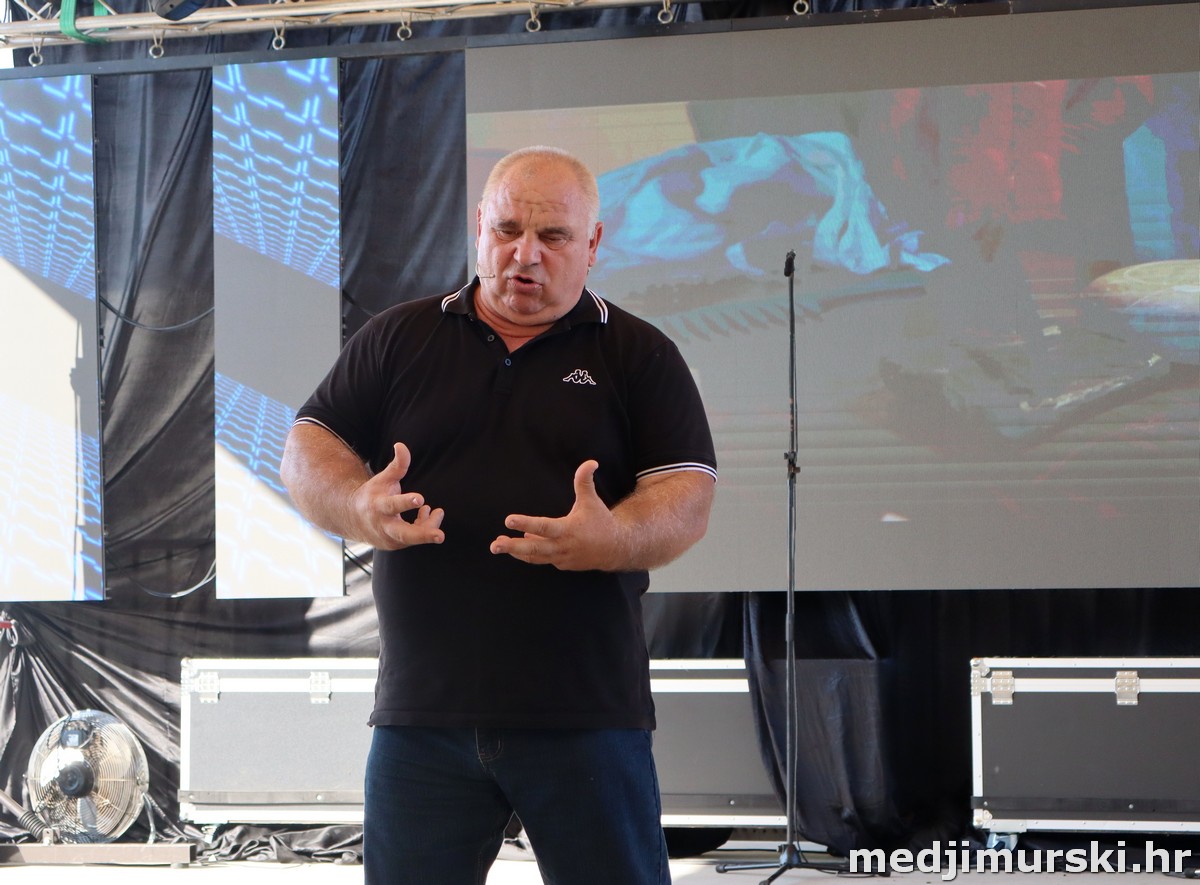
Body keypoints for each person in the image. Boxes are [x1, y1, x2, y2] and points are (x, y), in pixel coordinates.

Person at [280, 145, 717, 885]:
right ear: (478, 225)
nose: (525, 255)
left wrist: (614, 537)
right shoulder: (398, 338)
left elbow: (687, 493)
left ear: (593, 244)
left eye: (553, 236)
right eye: (508, 230)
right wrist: (357, 504)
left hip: (585, 717)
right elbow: (307, 447)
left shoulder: (639, 354)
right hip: (423, 718)